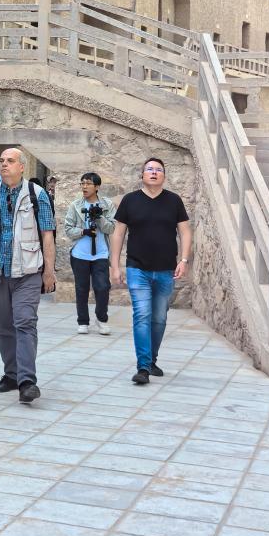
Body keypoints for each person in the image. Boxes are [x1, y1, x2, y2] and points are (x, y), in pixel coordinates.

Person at [0, 148, 56, 405]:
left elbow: (47, 234)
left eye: (10, 161)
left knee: (25, 322)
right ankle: (11, 374)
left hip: (28, 271)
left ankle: (27, 381)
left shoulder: (37, 194)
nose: (4, 164)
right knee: (5, 326)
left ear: (22, 167)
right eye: (2, 161)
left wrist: (49, 272)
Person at [109, 157, 192, 385]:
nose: (154, 172)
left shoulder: (174, 201)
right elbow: (118, 234)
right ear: (142, 174)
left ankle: (152, 359)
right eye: (149, 169)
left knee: (159, 318)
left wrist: (184, 260)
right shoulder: (130, 200)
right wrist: (115, 266)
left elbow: (185, 231)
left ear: (164, 175)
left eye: (158, 170)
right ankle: (143, 367)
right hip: (137, 268)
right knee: (142, 315)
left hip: (166, 270)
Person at [64, 172, 116, 335]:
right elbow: (68, 229)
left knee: (102, 287)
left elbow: (111, 228)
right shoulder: (75, 205)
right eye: (82, 183)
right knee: (81, 288)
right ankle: (83, 321)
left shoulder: (107, 204)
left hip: (101, 253)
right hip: (80, 254)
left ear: (97, 186)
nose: (84, 187)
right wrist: (83, 231)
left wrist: (99, 217)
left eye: (88, 183)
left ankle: (101, 319)